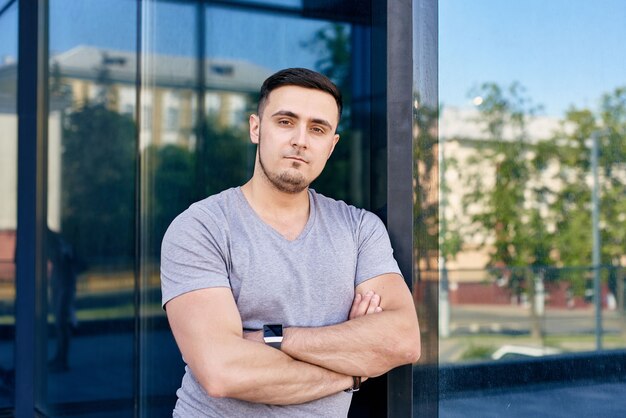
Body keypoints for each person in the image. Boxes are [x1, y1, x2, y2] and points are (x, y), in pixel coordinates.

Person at [161, 68, 420, 417]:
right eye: (285, 121)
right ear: (256, 128)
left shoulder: (360, 229)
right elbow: (222, 371)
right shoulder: (201, 228)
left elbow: (402, 340)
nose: (301, 140)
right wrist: (356, 371)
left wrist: (274, 338)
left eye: (317, 129)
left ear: (332, 144)